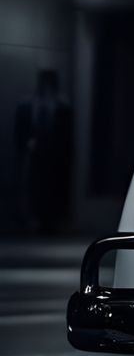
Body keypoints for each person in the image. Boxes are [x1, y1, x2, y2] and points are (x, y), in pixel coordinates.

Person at [14, 69, 72, 234]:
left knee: (52, 188)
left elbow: (66, 136)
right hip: (35, 154)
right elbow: (20, 130)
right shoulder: (29, 104)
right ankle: (35, 219)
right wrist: (27, 145)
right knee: (34, 187)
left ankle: (49, 222)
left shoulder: (61, 106)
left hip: (54, 156)